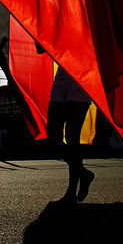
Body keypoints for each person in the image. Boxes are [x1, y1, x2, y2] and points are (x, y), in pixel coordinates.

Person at [46, 65, 94, 205]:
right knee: (53, 138)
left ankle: (71, 192)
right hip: (61, 78)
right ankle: (84, 174)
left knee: (72, 137)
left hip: (80, 76)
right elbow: (41, 48)